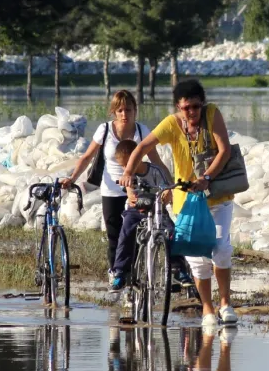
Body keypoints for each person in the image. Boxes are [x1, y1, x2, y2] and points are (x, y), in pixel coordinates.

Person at [120, 80, 237, 327]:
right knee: (197, 257)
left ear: (202, 104)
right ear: (178, 107)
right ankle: (207, 309)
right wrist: (129, 171)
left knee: (221, 249)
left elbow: (224, 150)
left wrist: (206, 178)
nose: (191, 112)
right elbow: (142, 146)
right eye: (186, 108)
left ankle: (225, 303)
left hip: (217, 196)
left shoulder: (212, 114)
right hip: (185, 199)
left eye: (195, 107)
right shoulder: (172, 124)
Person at [62, 90, 166, 280]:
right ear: (113, 112)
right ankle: (116, 274)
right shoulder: (105, 130)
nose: (124, 115)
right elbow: (87, 157)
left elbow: (156, 161)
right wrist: (72, 178)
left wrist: (170, 184)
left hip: (137, 189)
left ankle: (136, 279)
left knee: (136, 235)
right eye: (120, 110)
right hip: (111, 190)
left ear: (135, 110)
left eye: (128, 110)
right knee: (115, 236)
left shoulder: (143, 132)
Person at [107, 140, 192, 291]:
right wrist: (132, 196)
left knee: (172, 232)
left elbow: (167, 189)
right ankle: (120, 272)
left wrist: (167, 194)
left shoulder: (155, 171)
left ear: (139, 157)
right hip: (136, 211)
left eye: (128, 163)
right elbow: (130, 191)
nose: (126, 168)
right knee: (125, 232)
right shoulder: (127, 175)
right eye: (123, 165)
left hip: (157, 209)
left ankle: (178, 269)